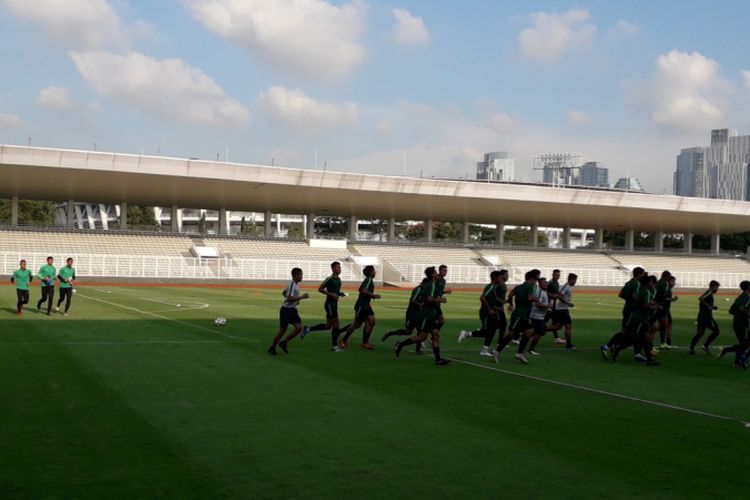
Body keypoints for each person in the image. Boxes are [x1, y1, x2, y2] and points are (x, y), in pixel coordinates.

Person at [395, 267, 450, 365]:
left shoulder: (431, 285)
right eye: (436, 272)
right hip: (427, 315)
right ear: (432, 275)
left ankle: (438, 360)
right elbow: (429, 299)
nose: (437, 274)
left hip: (431, 315)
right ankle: (401, 345)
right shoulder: (431, 285)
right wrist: (440, 300)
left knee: (435, 335)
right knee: (421, 337)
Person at [457, 270, 509, 356]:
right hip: (486, 313)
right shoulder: (491, 286)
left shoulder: (495, 287)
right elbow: (482, 298)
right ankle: (466, 334)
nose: (501, 279)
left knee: (493, 330)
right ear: (495, 278)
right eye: (500, 278)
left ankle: (485, 349)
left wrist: (505, 302)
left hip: (492, 312)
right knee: (487, 331)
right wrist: (489, 309)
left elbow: (495, 299)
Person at [492, 270, 539, 364]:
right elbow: (529, 298)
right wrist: (536, 298)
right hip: (519, 315)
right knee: (511, 334)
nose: (536, 281)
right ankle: (497, 351)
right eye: (536, 278)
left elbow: (510, 295)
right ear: (531, 278)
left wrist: (511, 303)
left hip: (522, 315)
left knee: (528, 333)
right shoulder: (530, 286)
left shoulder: (519, 287)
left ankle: (519, 353)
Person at [301, 261, 349, 352]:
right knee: (336, 325)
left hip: (334, 305)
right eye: (338, 267)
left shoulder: (338, 279)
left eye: (340, 267)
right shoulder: (329, 278)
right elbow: (320, 289)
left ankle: (308, 329)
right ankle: (335, 347)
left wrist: (340, 294)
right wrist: (331, 294)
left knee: (328, 326)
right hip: (330, 305)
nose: (339, 269)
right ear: (333, 269)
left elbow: (335, 292)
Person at [613, 275, 660, 366]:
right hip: (640, 319)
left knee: (640, 338)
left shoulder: (645, 291)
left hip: (641, 319)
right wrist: (654, 306)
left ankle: (618, 349)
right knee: (637, 338)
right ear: (648, 283)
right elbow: (646, 305)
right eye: (651, 282)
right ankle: (617, 348)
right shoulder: (645, 292)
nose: (652, 284)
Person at [600, 267, 645, 360]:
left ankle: (617, 348)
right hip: (632, 311)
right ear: (638, 274)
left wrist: (628, 300)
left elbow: (620, 294)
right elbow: (634, 296)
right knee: (627, 332)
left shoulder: (629, 283)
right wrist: (640, 302)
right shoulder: (636, 284)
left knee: (629, 332)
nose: (643, 275)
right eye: (642, 273)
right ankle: (607, 346)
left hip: (627, 309)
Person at [268, 268, 309, 355]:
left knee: (298, 327)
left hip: (293, 310)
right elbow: (289, 297)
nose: (302, 276)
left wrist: (295, 300)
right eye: (301, 275)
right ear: (296, 275)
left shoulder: (296, 285)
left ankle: (284, 342)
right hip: (286, 310)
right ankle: (272, 347)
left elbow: (284, 293)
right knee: (282, 331)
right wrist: (301, 297)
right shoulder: (292, 285)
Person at [338, 265, 380, 350]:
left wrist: (371, 296)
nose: (375, 272)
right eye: (374, 270)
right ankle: (344, 340)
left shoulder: (368, 280)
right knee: (356, 325)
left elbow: (360, 289)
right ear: (370, 272)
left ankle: (365, 343)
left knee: (371, 322)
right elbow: (364, 290)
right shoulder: (368, 280)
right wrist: (373, 295)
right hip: (361, 305)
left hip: (366, 305)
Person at [381, 283, 425, 350]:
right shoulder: (417, 289)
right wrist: (420, 304)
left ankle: (417, 349)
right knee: (409, 332)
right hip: (412, 314)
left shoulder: (423, 290)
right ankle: (390, 333)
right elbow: (412, 300)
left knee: (420, 331)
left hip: (419, 314)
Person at [719, 281, 750, 369]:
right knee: (745, 344)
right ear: (748, 287)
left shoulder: (740, 297)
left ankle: (737, 363)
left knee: (743, 343)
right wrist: (748, 315)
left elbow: (731, 311)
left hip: (736, 323)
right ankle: (728, 351)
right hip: (743, 324)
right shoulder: (747, 298)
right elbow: (742, 308)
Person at [546, 273, 578, 350]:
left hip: (562, 309)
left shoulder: (568, 286)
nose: (575, 282)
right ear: (572, 279)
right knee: (568, 326)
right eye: (575, 280)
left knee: (557, 326)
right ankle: (569, 345)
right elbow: (559, 295)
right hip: (562, 310)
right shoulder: (566, 286)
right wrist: (568, 303)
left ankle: (537, 330)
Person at [689, 280, 721, 355]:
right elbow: (701, 298)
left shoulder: (709, 293)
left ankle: (691, 348)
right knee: (716, 331)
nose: (717, 289)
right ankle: (705, 346)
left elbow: (703, 302)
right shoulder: (709, 292)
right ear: (712, 286)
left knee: (700, 333)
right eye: (716, 287)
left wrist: (712, 307)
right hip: (707, 317)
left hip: (702, 316)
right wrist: (709, 306)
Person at [526, 277, 553, 356]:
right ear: (539, 283)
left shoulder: (544, 291)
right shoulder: (539, 292)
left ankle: (525, 336)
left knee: (538, 330)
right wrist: (547, 306)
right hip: (537, 315)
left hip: (540, 315)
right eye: (544, 282)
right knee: (541, 331)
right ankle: (531, 349)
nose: (546, 283)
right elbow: (537, 304)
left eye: (546, 282)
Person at [656, 272, 678, 350]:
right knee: (664, 324)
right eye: (672, 281)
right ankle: (664, 342)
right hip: (662, 309)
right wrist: (672, 299)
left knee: (667, 325)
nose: (674, 283)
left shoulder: (666, 286)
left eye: (674, 281)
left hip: (665, 309)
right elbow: (661, 297)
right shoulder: (664, 285)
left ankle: (667, 342)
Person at [546, 269, 566, 344]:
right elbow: (544, 291)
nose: (557, 276)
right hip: (548, 305)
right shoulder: (550, 283)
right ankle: (526, 332)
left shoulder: (557, 283)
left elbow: (556, 293)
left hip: (554, 306)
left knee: (555, 322)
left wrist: (559, 296)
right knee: (543, 321)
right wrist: (552, 295)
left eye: (558, 275)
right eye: (556, 275)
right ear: (552, 275)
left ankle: (556, 338)